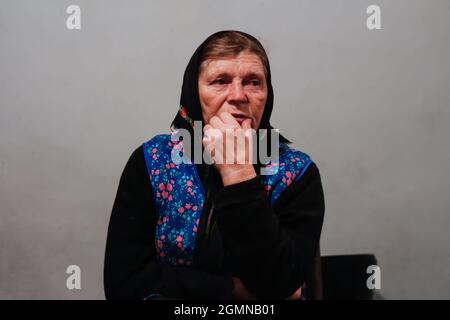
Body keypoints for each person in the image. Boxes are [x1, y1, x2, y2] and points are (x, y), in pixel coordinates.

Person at [104, 30, 325, 300]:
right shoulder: (153, 161)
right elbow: (125, 284)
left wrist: (238, 172)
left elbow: (280, 282)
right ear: (194, 93)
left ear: (268, 94)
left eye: (253, 82)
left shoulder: (296, 172)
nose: (238, 96)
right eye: (220, 81)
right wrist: (233, 290)